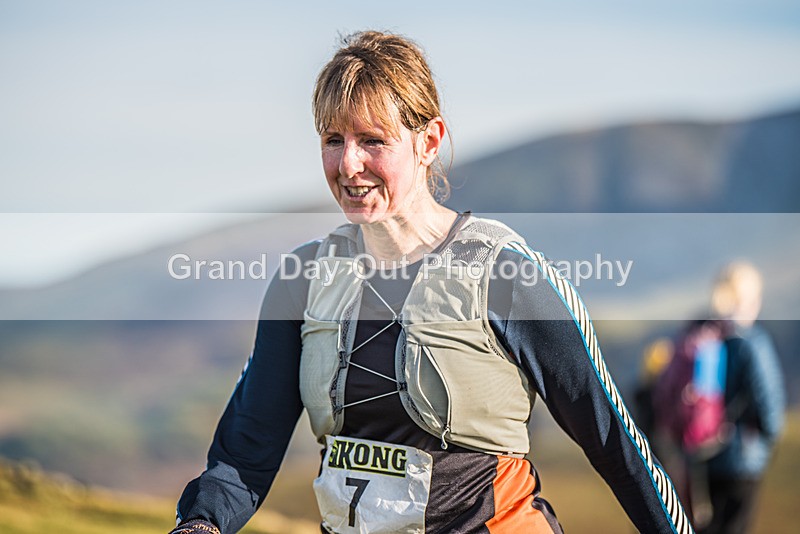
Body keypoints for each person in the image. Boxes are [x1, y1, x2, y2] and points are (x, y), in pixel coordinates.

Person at [169, 31, 693, 534]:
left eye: (372, 140)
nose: (348, 163)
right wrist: (200, 523)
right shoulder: (302, 280)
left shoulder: (506, 273)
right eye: (333, 140)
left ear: (429, 142)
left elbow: (614, 442)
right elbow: (246, 449)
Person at [699, 261, 785, 534]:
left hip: (709, 451)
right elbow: (768, 396)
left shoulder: (709, 337)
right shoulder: (754, 342)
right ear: (749, 300)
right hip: (745, 455)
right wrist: (769, 435)